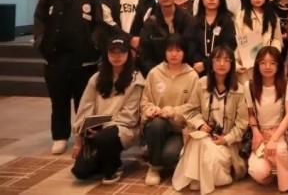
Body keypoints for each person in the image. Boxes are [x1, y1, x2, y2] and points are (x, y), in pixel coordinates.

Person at [33, 0, 104, 155]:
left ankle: (85, 137)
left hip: (84, 61)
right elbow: (39, 20)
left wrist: (94, 44)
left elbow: (100, 24)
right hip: (56, 60)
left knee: (85, 103)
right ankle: (60, 137)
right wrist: (41, 42)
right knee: (59, 101)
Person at [172, 45, 249, 194]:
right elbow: (191, 110)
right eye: (217, 59)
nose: (221, 64)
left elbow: (242, 123)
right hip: (205, 136)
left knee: (207, 155)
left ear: (232, 64)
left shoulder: (238, 90)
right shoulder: (202, 84)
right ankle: (202, 181)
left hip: (227, 143)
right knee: (199, 140)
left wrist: (226, 139)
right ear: (211, 63)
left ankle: (202, 180)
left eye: (226, 60)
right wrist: (200, 125)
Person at [71, 37, 145, 184]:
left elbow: (129, 116)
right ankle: (104, 159)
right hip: (95, 129)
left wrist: (103, 128)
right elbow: (84, 109)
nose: (117, 57)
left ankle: (114, 168)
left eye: (121, 52)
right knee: (81, 172)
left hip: (124, 128)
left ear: (128, 54)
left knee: (104, 138)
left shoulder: (135, 79)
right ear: (107, 54)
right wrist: (79, 140)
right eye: (112, 53)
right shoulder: (96, 78)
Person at [141, 35, 199, 185]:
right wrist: (151, 109)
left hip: (179, 129)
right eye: (170, 50)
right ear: (164, 52)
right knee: (156, 124)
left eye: (178, 50)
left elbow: (194, 106)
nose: (174, 54)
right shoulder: (154, 73)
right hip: (157, 124)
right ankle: (154, 167)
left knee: (169, 156)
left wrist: (173, 111)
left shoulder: (192, 76)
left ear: (184, 52)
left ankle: (159, 153)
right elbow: (145, 101)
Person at [245, 46, 288, 193]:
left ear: (279, 65)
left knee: (279, 150)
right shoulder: (249, 86)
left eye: (272, 63)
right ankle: (276, 173)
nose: (267, 67)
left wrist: (274, 139)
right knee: (257, 172)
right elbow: (251, 114)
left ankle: (287, 183)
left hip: (281, 132)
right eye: (263, 63)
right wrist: (256, 132)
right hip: (260, 133)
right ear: (257, 65)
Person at [138, 0, 192, 77]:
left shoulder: (186, 19)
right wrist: (157, 74)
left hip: (183, 72)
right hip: (157, 73)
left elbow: (191, 49)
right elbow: (145, 54)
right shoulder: (150, 22)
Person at [234, 0, 283, 84]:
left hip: (267, 63)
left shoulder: (272, 16)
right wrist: (237, 64)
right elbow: (238, 41)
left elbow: (277, 39)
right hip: (247, 65)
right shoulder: (241, 16)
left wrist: (271, 54)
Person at [183, 0, 236, 76]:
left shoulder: (227, 22)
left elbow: (229, 46)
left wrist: (206, 64)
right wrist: (199, 63)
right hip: (196, 70)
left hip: (221, 70)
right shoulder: (193, 22)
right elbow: (189, 45)